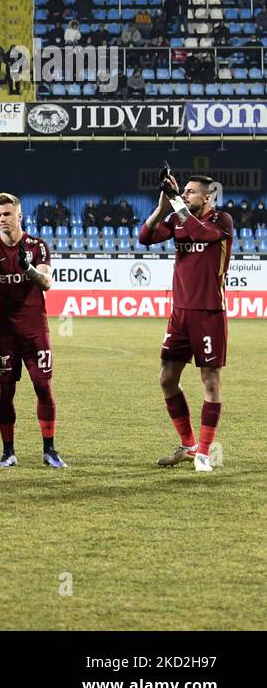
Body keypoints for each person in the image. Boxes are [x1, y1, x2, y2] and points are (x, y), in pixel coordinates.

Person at [139, 171, 233, 472]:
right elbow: (145, 237)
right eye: (186, 191)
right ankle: (189, 444)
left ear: (207, 197)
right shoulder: (178, 218)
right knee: (167, 378)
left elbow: (201, 234)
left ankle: (204, 452)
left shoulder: (222, 221)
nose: (187, 195)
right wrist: (162, 206)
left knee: (211, 381)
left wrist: (178, 203)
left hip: (209, 313)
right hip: (179, 313)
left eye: (191, 192)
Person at [0, 193, 65, 469]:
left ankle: (49, 450)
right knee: (5, 391)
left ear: (19, 216)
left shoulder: (37, 246)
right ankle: (8, 452)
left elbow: (46, 283)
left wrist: (26, 267)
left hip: (35, 330)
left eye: (7, 214)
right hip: (4, 333)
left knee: (43, 387)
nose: (2, 219)